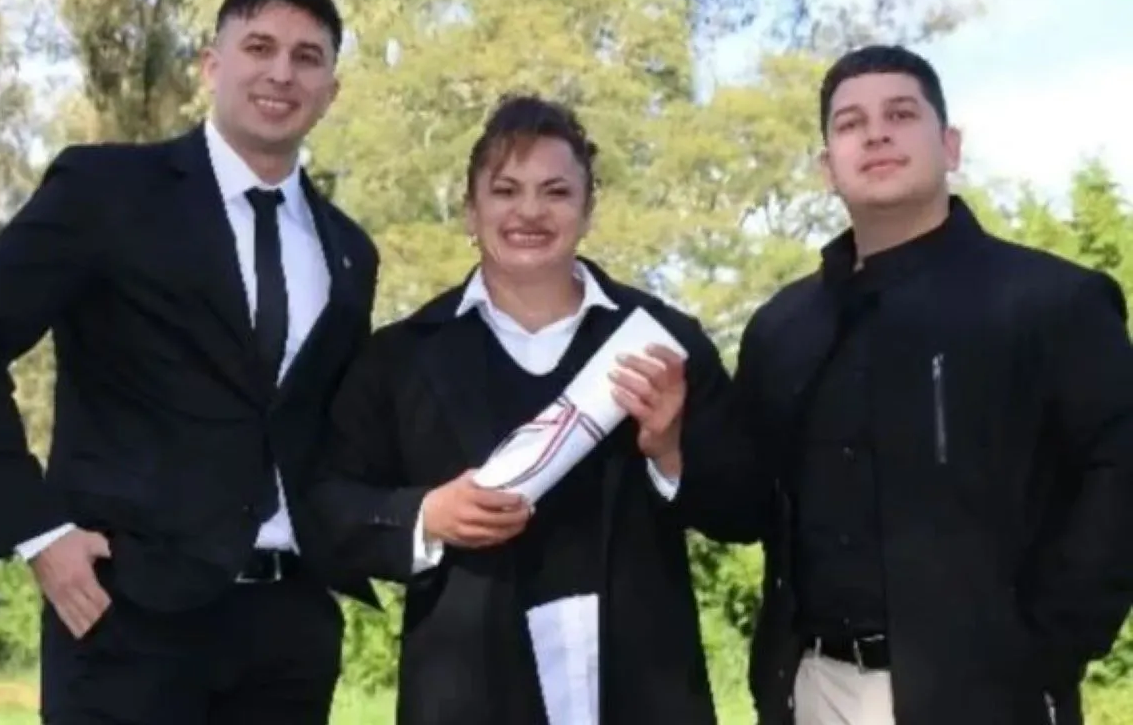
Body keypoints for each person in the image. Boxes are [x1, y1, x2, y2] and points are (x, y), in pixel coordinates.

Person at [0, 0, 379, 724]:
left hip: (289, 635)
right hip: (122, 616)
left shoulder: (349, 253)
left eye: (308, 57)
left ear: (331, 88)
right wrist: (36, 529)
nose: (281, 72)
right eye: (259, 46)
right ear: (212, 65)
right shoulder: (105, 191)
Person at [300, 94, 746, 724]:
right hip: (468, 693)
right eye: (506, 190)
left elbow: (746, 506)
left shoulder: (660, 343)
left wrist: (669, 451)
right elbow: (325, 503)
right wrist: (426, 516)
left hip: (641, 685)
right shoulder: (399, 358)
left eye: (556, 192)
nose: (530, 211)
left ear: (588, 210)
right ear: (469, 211)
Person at [723, 44, 1133, 725]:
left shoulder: (1054, 301)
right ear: (828, 168)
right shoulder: (780, 328)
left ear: (950, 145)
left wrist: (1051, 646)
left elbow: (1120, 475)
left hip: (989, 696)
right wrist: (670, 443)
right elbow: (746, 505)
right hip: (812, 690)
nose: (875, 132)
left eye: (900, 113)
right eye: (850, 123)